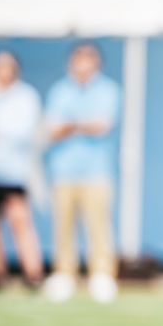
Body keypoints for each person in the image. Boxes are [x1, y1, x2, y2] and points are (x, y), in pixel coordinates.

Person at [42, 42, 121, 304]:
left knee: (98, 225)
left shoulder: (108, 90)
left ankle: (101, 275)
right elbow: (52, 128)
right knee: (63, 225)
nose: (83, 65)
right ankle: (65, 274)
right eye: (79, 59)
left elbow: (102, 125)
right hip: (64, 170)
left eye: (88, 60)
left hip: (96, 170)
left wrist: (72, 124)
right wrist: (77, 125)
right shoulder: (60, 90)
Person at [0, 51, 45, 291]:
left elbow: (25, 131)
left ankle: (33, 274)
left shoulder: (26, 97)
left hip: (14, 171)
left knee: (20, 222)